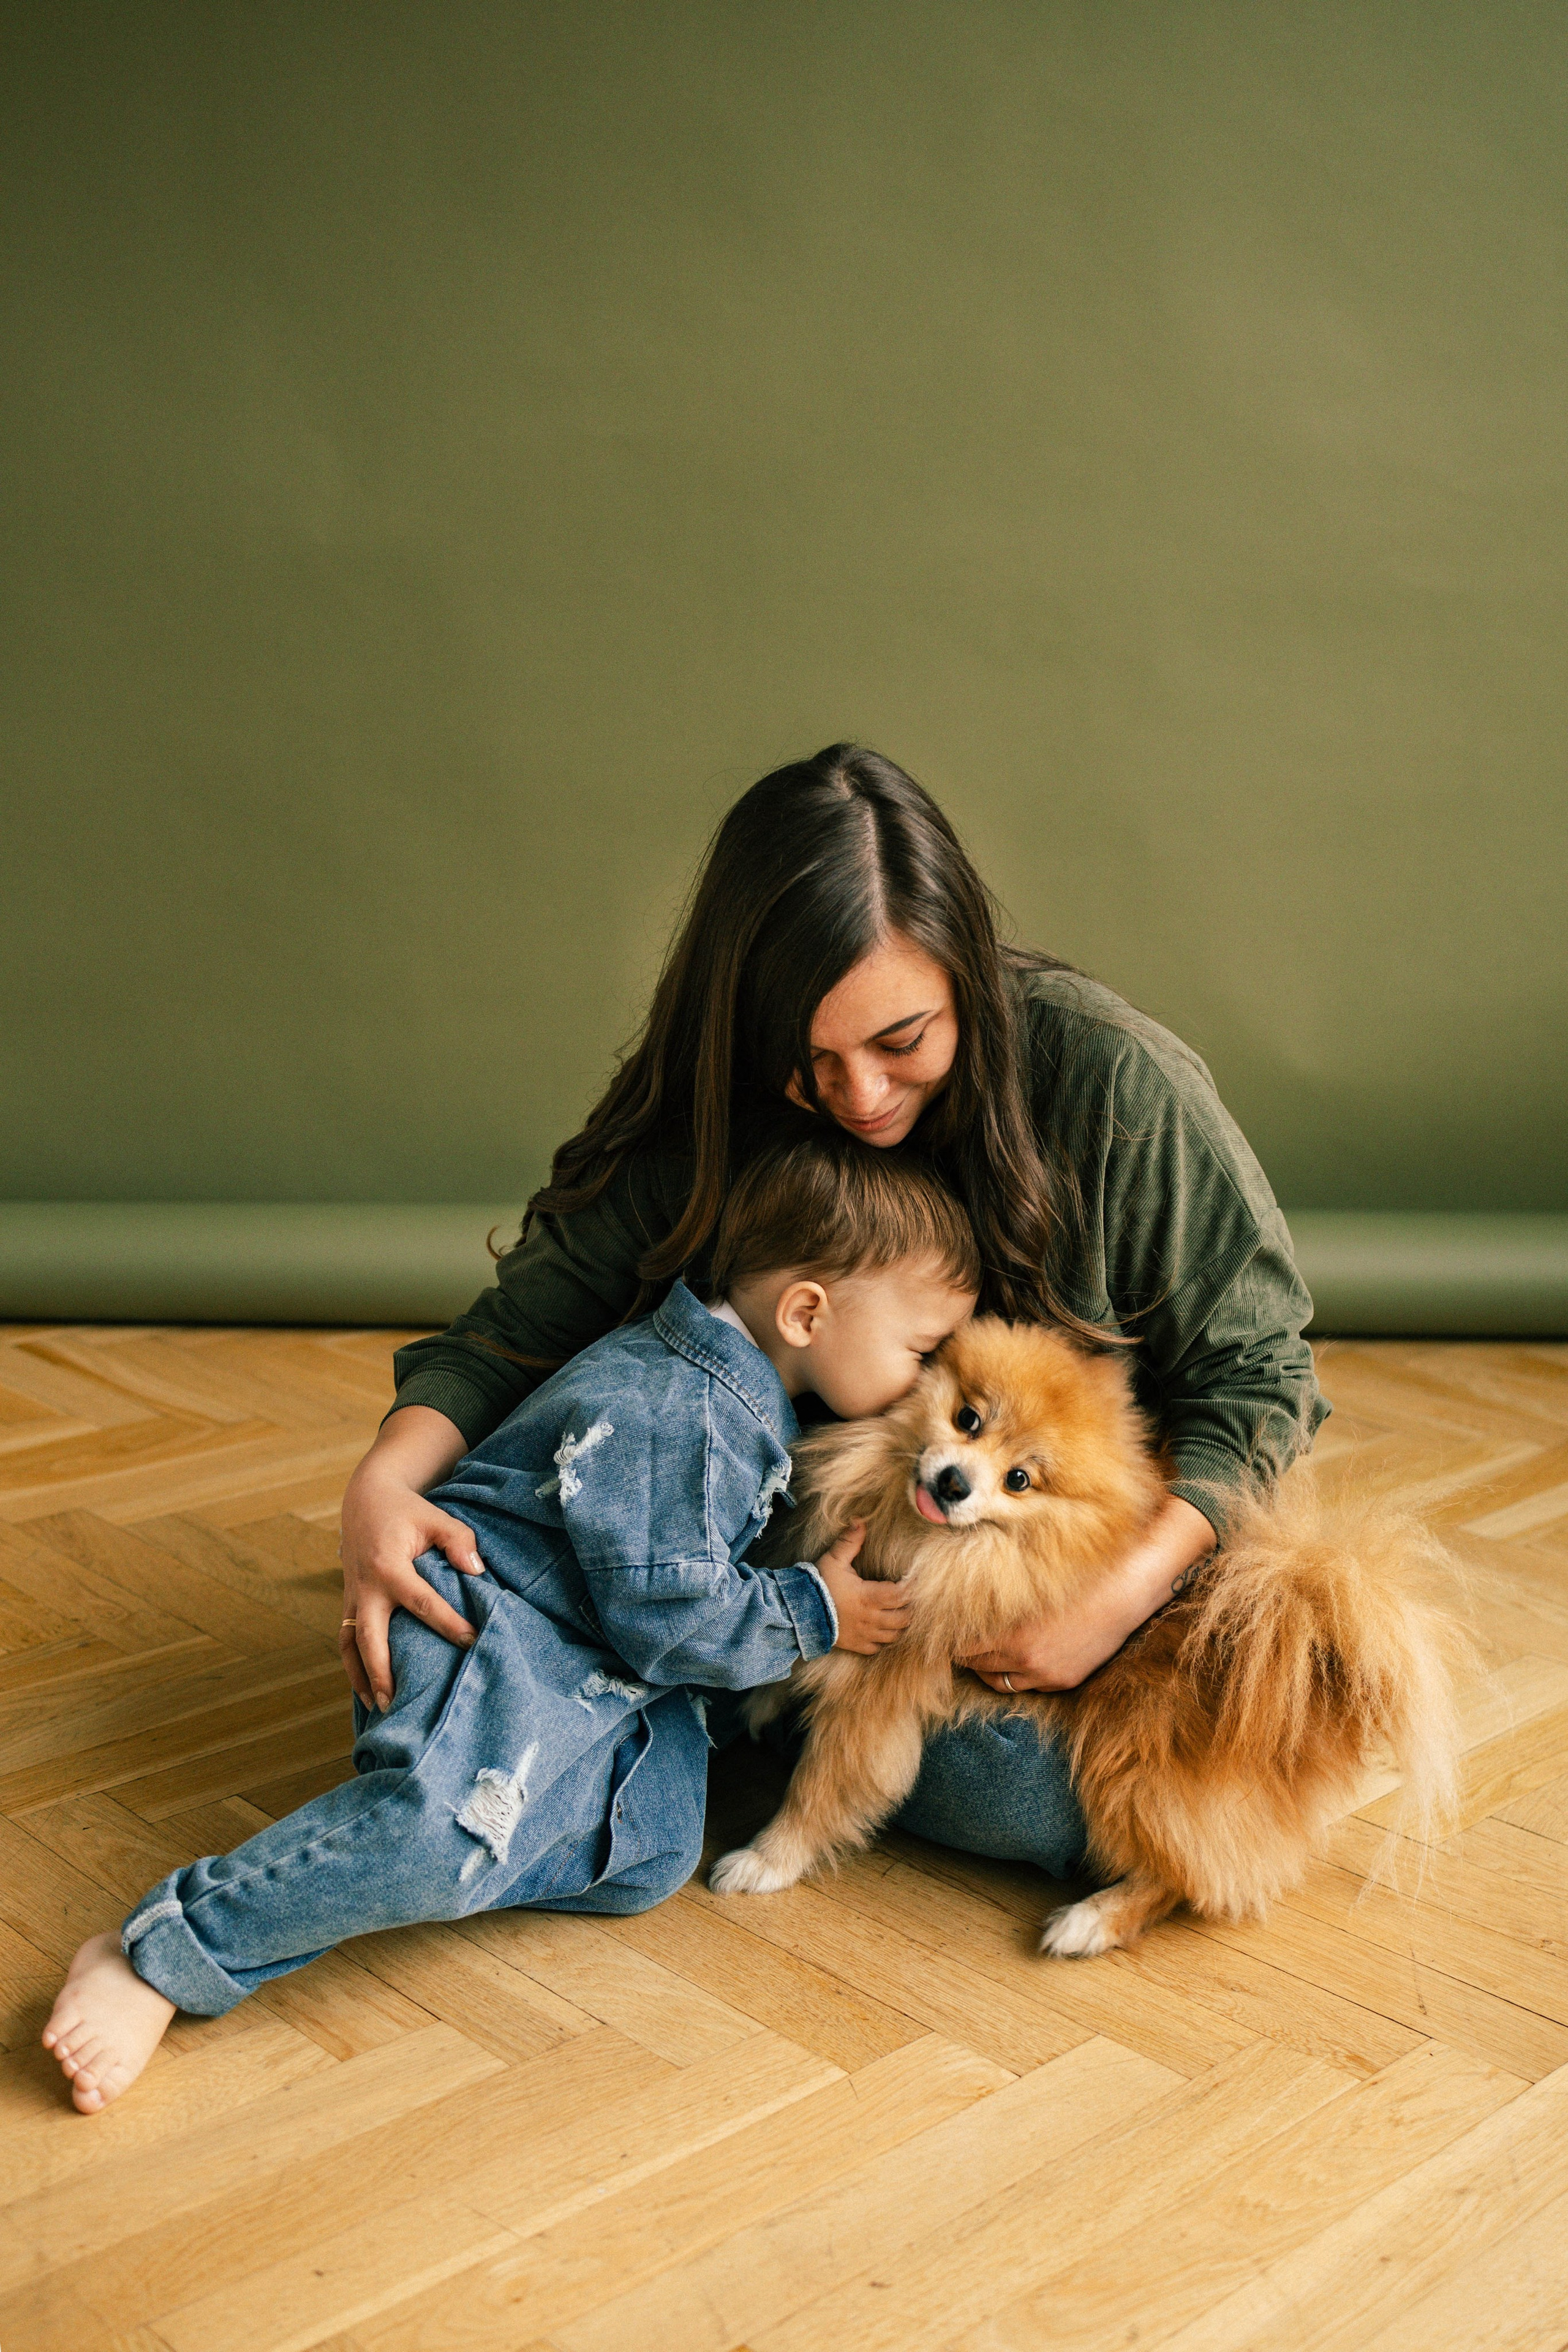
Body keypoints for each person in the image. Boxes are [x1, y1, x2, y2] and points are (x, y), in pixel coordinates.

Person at [340, 743, 1327, 1878]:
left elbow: (1260, 1379)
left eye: (903, 1042)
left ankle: (687, 1699)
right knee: (484, 1608)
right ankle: (706, 1677)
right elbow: (518, 1331)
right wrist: (383, 1486)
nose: (862, 1097)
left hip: (1015, 1571)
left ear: (967, 974)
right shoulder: (719, 1093)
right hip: (763, 1558)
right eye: (811, 1062)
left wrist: (1117, 1597)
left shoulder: (1112, 1082)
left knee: (1033, 1793)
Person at [42, 1134, 980, 2111]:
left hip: (588, 1658)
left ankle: (438, 1823)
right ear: (806, 1313)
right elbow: (666, 1620)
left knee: (652, 1853)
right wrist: (813, 1611)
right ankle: (166, 1953)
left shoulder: (743, 1399)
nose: (928, 1384)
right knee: (445, 1840)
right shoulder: (683, 1412)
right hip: (488, 1622)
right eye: (922, 1353)